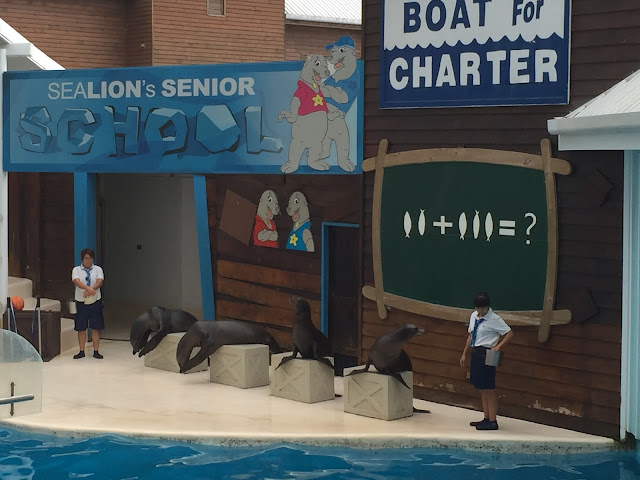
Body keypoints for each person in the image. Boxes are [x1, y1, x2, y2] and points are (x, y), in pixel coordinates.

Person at [459, 292, 514, 430]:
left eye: (483, 308)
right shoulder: (474, 316)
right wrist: (464, 353)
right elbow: (471, 335)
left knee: (489, 387)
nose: (480, 311)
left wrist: (498, 347)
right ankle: (486, 417)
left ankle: (493, 421)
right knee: (481, 387)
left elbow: (509, 333)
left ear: (488, 306)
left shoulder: (494, 319)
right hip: (476, 352)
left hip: (488, 353)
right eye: (478, 308)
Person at [71, 248, 105, 359]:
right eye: (86, 258)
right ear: (82, 259)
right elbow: (77, 281)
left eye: (90, 258)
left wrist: (91, 289)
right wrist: (87, 288)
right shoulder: (76, 270)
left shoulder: (98, 269)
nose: (88, 261)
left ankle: (96, 351)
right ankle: (81, 351)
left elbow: (100, 281)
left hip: (95, 302)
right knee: (81, 327)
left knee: (96, 327)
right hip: (81, 302)